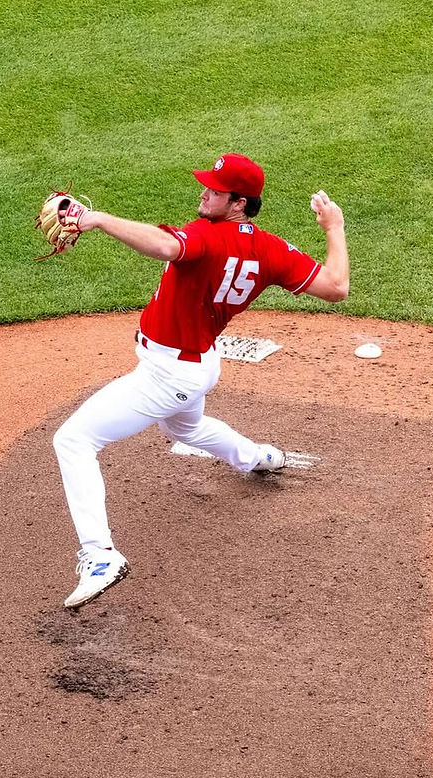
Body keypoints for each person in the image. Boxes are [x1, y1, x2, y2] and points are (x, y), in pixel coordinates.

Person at [52, 153, 349, 609]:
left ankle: (100, 556)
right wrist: (333, 227)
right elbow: (336, 287)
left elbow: (166, 247)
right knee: (184, 429)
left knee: (72, 440)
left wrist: (97, 219)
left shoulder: (206, 237)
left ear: (239, 202)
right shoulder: (270, 249)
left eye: (214, 189)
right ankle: (259, 458)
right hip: (199, 365)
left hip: (166, 373)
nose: (203, 192)